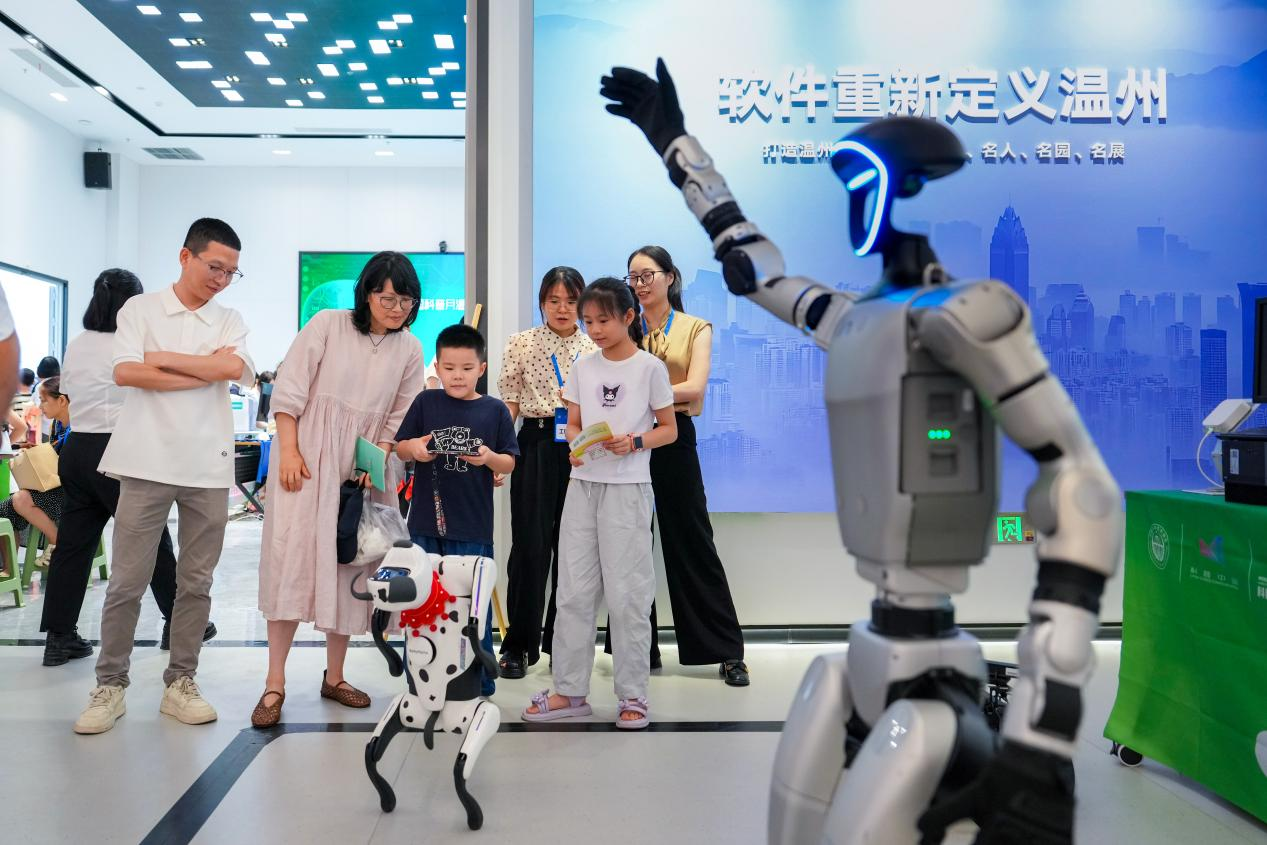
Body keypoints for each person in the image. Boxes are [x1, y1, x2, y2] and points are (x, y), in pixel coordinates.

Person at [73, 217, 254, 735]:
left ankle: (181, 682)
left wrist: (164, 362)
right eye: (215, 267)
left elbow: (231, 370)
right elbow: (127, 372)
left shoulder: (230, 318)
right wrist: (201, 370)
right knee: (126, 582)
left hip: (208, 467)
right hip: (145, 461)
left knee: (196, 583)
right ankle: (110, 685)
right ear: (185, 256)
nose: (222, 279)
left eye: (231, 272)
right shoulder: (140, 309)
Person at [253, 251, 425, 728]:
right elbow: (290, 390)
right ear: (366, 294)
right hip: (308, 462)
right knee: (291, 560)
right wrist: (289, 451)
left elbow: (400, 413)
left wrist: (379, 457)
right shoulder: (328, 324)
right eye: (387, 298)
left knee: (351, 563)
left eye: (406, 301)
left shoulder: (410, 348)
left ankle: (336, 676)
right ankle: (274, 682)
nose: (397, 309)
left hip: (363, 470)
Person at [522, 277, 676, 729]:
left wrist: (636, 441)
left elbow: (669, 429)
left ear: (629, 317)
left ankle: (633, 695)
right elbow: (571, 424)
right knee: (572, 592)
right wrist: (577, 444)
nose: (594, 330)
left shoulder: (650, 368)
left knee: (628, 595)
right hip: (582, 485)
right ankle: (570, 691)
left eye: (603, 321)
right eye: (588, 321)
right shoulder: (583, 367)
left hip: (628, 489)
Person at [40, 269, 213, 668]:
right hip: (121, 449)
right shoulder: (133, 341)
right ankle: (179, 622)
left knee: (73, 546)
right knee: (150, 539)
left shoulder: (78, 343)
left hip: (77, 449)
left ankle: (59, 638)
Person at [608, 246, 751, 686]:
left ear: (670, 277)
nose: (639, 284)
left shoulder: (695, 327)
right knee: (631, 545)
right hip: (627, 441)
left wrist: (647, 394)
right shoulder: (624, 326)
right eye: (633, 277)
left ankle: (726, 651)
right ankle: (638, 650)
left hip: (674, 438)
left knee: (692, 540)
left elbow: (696, 388)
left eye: (647, 275)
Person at [395, 323, 518, 699]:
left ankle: (478, 680)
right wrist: (416, 450)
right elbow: (401, 446)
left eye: (466, 368)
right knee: (422, 604)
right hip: (424, 524)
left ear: (482, 368)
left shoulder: (494, 410)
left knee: (472, 607)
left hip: (473, 527)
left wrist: (488, 458)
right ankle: (421, 678)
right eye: (449, 368)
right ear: (438, 366)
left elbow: (509, 462)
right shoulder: (425, 403)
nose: (457, 375)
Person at [495, 266, 597, 679]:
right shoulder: (521, 343)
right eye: (554, 300)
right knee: (529, 547)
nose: (562, 308)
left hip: (579, 449)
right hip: (534, 443)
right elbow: (510, 404)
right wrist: (500, 452)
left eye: (571, 301)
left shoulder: (594, 347)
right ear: (542, 303)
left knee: (573, 552)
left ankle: (563, 645)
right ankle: (518, 645)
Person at [0, 377, 70, 570]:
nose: (40, 406)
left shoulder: (78, 430)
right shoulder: (57, 425)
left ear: (61, 400)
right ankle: (9, 570)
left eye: (44, 400)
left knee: (20, 499)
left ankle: (57, 541)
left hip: (71, 492)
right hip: (54, 486)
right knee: (5, 509)